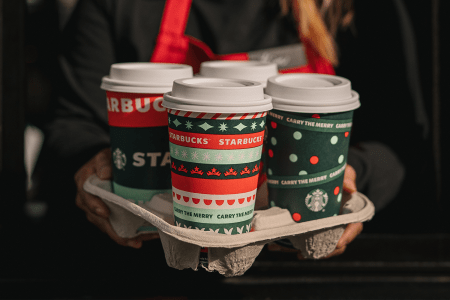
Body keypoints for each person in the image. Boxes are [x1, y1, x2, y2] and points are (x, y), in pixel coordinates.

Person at [37, 0, 405, 261]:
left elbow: (402, 144)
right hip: (150, 268)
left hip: (300, 273)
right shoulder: (119, 6)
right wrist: (94, 161)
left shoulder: (343, 8)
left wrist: (349, 169)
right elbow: (68, 126)